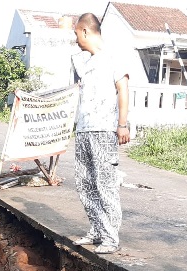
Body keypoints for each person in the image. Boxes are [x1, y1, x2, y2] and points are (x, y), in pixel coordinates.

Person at [71, 13, 130, 254]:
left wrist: (122, 124)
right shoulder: (86, 62)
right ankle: (97, 229)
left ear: (85, 31)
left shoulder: (113, 57)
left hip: (103, 131)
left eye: (76, 34)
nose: (76, 40)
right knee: (84, 184)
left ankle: (110, 237)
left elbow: (123, 89)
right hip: (84, 131)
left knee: (105, 185)